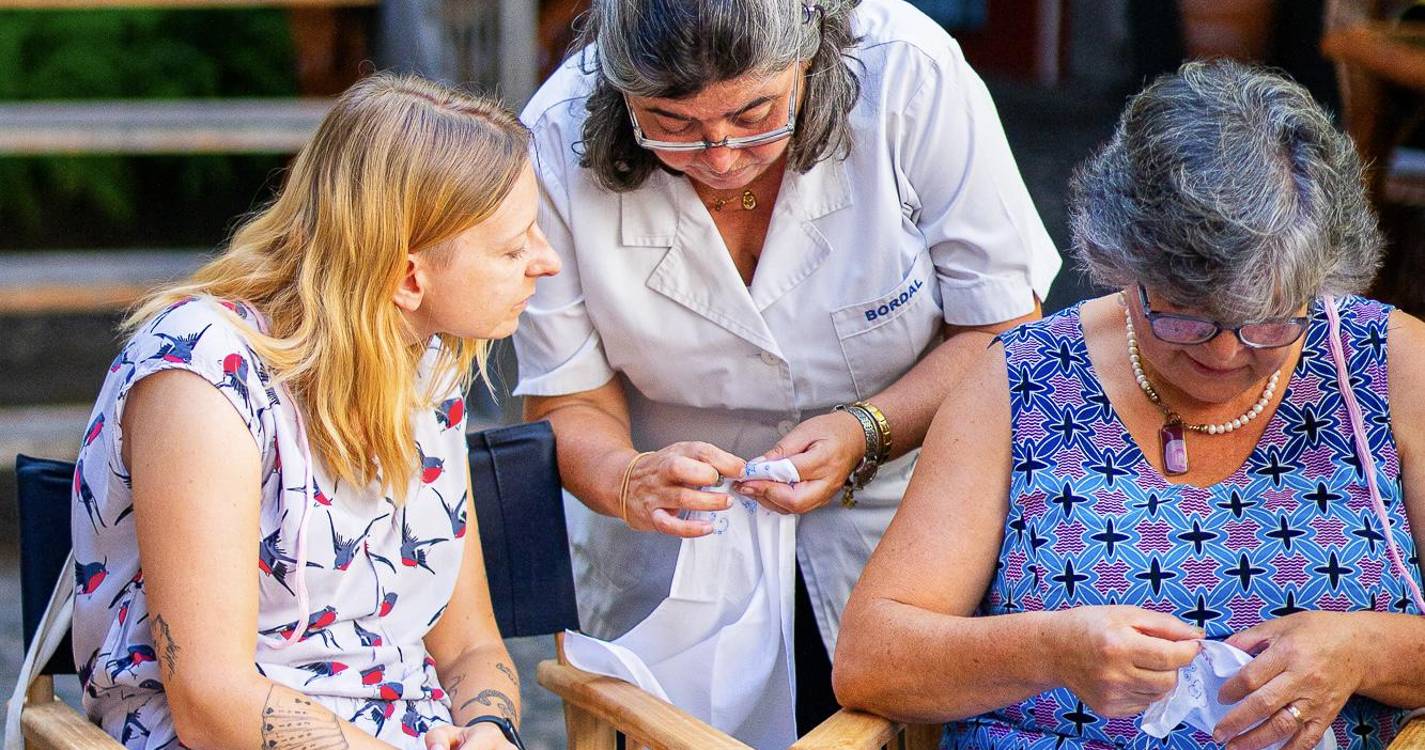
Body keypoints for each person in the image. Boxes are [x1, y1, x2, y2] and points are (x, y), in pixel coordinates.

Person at [834, 60, 1425, 750]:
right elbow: (870, 660)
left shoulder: (1386, 365)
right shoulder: (1022, 379)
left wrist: (1365, 651)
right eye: (1187, 315)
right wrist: (1050, 651)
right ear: (1123, 265)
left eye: (1269, 321)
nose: (1225, 352)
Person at [513, 0, 1061, 728]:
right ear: (619, 93)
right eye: (670, 123)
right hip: (674, 539)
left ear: (808, 57)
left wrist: (867, 430)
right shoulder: (555, 134)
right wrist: (626, 479)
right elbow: (566, 398)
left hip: (899, 511)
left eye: (754, 113)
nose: (720, 157)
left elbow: (999, 331)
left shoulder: (908, 72)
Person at [70, 73, 560, 750]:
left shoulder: (427, 366)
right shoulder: (204, 378)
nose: (547, 261)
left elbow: (469, 645)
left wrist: (488, 726)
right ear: (407, 277)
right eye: (513, 247)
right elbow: (210, 702)